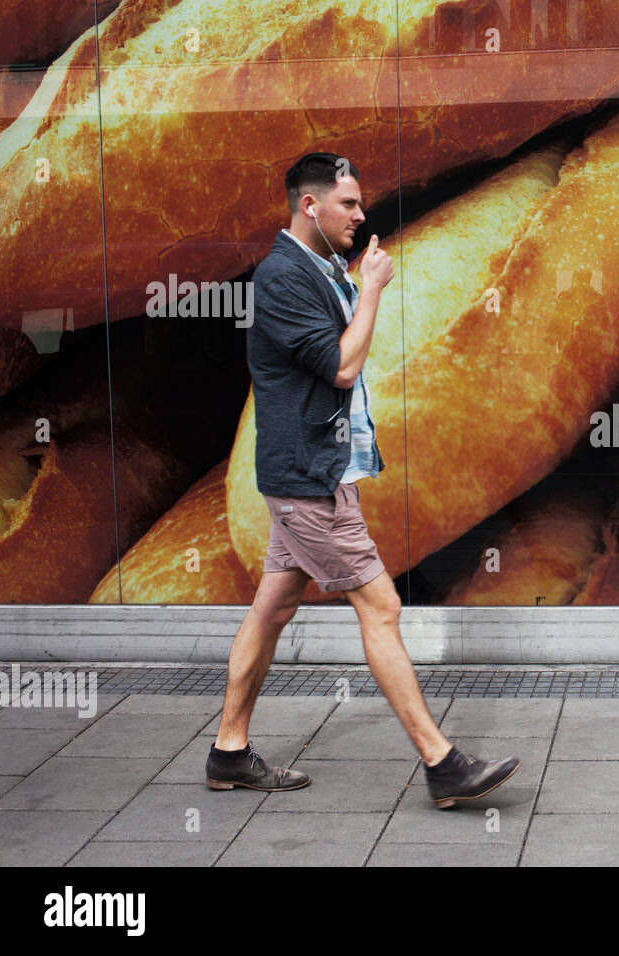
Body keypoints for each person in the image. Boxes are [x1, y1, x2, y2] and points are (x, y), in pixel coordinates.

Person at [206, 152, 519, 808]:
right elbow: (341, 367)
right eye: (348, 203)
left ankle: (229, 752)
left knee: (273, 608)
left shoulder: (316, 272)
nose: (360, 213)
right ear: (309, 206)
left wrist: (355, 283)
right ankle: (443, 764)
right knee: (381, 607)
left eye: (360, 203)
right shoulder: (283, 277)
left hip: (313, 474)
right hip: (308, 482)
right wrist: (372, 288)